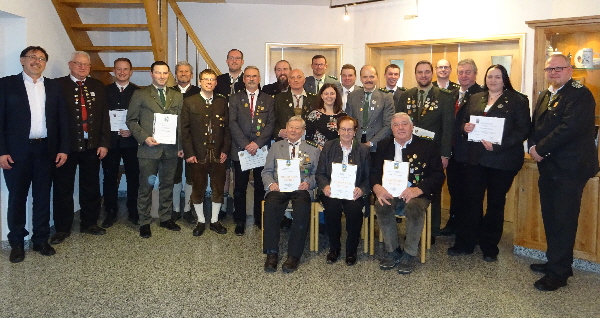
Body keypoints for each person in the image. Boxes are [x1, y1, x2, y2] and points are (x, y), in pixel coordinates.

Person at [528, 54, 598, 291]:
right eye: (550, 69)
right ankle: (556, 262)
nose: (553, 73)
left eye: (558, 69)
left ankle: (558, 274)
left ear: (569, 70)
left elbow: (569, 129)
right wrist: (531, 147)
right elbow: (535, 125)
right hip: (549, 166)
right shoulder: (547, 94)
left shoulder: (579, 94)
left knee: (563, 219)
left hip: (570, 168)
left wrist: (541, 149)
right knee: (551, 216)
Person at [448, 64, 530, 262]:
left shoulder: (518, 100)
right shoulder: (476, 98)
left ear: (504, 79)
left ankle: (489, 246)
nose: (492, 80)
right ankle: (466, 242)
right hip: (476, 159)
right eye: (489, 77)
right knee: (471, 201)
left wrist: (498, 145)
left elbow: (523, 131)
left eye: (497, 77)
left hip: (502, 161)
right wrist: (465, 127)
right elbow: (464, 122)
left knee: (495, 203)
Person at [0, 46, 69, 263]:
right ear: (22, 60)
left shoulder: (54, 87)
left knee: (42, 197)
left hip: (45, 150)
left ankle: (41, 239)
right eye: (32, 57)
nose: (36, 61)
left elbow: (62, 121)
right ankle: (17, 243)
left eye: (41, 59)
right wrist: (2, 152)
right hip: (17, 152)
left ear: (45, 63)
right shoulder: (6, 84)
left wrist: (63, 148)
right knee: (17, 198)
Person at [372, 112, 445, 274]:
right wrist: (377, 188)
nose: (401, 128)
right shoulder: (384, 145)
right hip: (390, 192)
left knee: (414, 207)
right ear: (391, 129)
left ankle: (409, 253)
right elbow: (375, 171)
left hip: (417, 192)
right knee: (381, 205)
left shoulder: (428, 146)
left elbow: (438, 175)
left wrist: (418, 189)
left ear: (412, 127)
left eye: (404, 124)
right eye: (396, 125)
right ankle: (393, 251)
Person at [51, 51, 111, 245]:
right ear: (70, 64)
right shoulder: (58, 85)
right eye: (78, 64)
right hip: (66, 147)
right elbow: (53, 119)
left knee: (91, 186)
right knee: (63, 188)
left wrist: (103, 143)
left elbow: (104, 117)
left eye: (86, 65)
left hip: (91, 145)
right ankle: (62, 228)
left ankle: (90, 223)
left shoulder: (97, 86)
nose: (82, 67)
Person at [394, 60, 454, 239]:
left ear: (432, 73)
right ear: (415, 74)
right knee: (409, 186)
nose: (424, 75)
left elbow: (448, 127)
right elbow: (398, 122)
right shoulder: (406, 95)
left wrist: (445, 153)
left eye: (427, 72)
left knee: (431, 189)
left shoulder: (444, 96)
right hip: (409, 149)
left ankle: (432, 230)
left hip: (433, 153)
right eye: (420, 72)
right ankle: (411, 227)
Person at [126, 61, 184, 238]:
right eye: (158, 73)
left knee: (167, 185)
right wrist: (144, 137)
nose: (162, 76)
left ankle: (165, 217)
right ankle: (144, 221)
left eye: (165, 73)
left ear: (169, 75)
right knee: (146, 186)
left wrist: (181, 147)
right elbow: (131, 120)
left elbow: (180, 124)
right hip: (148, 150)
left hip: (171, 150)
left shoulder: (177, 96)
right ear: (151, 74)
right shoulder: (140, 94)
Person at [262, 116, 320, 273]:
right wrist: (271, 184)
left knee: (302, 210)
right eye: (290, 127)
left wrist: (309, 183)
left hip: (301, 189)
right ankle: (271, 252)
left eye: (297, 128)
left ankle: (294, 255)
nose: (293, 131)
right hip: (279, 188)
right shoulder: (276, 147)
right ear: (286, 129)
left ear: (303, 131)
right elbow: (266, 171)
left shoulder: (312, 149)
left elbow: (318, 174)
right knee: (271, 206)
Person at [181, 69, 230, 236]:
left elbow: (228, 129)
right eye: (206, 79)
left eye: (212, 80)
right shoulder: (189, 102)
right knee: (198, 188)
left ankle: (215, 220)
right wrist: (189, 153)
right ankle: (201, 220)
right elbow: (185, 130)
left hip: (218, 155)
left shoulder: (222, 102)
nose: (209, 82)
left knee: (218, 188)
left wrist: (225, 150)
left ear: (216, 83)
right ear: (200, 82)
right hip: (197, 154)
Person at [316, 116, 370, 266]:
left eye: (350, 129)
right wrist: (325, 186)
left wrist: (362, 189)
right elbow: (320, 173)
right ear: (338, 130)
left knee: (354, 210)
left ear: (355, 131)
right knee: (332, 208)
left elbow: (368, 177)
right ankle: (334, 248)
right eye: (343, 129)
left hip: (354, 192)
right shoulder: (329, 146)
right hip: (332, 191)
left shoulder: (363, 149)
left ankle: (351, 250)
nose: (346, 133)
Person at [229, 66, 275, 236]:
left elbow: (271, 124)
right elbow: (232, 123)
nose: (251, 79)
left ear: (259, 78)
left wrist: (257, 143)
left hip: (261, 150)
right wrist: (246, 144)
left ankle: (259, 218)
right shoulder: (234, 99)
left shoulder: (268, 99)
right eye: (248, 76)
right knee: (239, 187)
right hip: (240, 151)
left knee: (260, 187)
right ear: (243, 79)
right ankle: (240, 220)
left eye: (254, 76)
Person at [442, 58, 484, 236]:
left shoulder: (483, 94)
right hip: (452, 153)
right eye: (461, 72)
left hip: (472, 154)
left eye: (468, 72)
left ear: (475, 74)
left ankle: (470, 231)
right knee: (455, 190)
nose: (464, 75)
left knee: (471, 195)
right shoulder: (450, 93)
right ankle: (454, 222)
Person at [102, 58, 140, 227]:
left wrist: (134, 130)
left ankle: (134, 211)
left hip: (131, 141)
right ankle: (110, 211)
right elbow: (101, 117)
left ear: (131, 72)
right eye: (119, 69)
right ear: (114, 71)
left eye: (126, 69)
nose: (122, 72)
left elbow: (144, 117)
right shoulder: (105, 91)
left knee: (134, 177)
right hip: (110, 142)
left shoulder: (138, 92)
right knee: (109, 177)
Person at [170, 61, 199, 224]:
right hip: (172, 142)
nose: (183, 74)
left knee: (191, 176)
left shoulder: (198, 92)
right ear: (176, 74)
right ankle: (175, 209)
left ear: (191, 75)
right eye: (180, 71)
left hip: (193, 142)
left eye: (186, 71)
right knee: (174, 176)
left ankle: (187, 209)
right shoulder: (169, 92)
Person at [345, 65, 394, 157]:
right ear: (360, 78)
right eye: (365, 77)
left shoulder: (386, 97)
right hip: (356, 145)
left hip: (378, 146)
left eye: (372, 76)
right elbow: (349, 122)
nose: (368, 80)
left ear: (377, 78)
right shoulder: (352, 96)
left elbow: (388, 125)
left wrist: (371, 143)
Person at [272, 69, 315, 142]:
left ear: (304, 80)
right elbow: (271, 120)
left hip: (308, 141)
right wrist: (279, 132)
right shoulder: (279, 98)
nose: (296, 80)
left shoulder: (314, 99)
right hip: (284, 141)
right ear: (288, 80)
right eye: (292, 78)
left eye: (299, 77)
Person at [306, 83, 347, 148]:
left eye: (332, 93)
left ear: (336, 96)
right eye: (326, 94)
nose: (329, 96)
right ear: (322, 96)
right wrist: (317, 147)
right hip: (318, 153)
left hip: (337, 153)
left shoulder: (343, 116)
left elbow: (346, 137)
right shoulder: (313, 115)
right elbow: (307, 138)